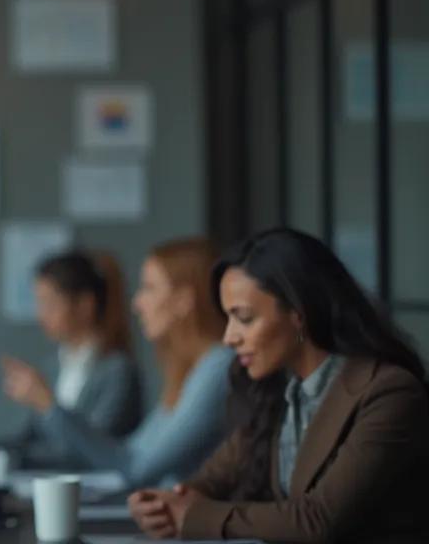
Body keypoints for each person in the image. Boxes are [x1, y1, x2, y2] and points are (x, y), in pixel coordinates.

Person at [129, 229, 429, 542]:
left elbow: (317, 519)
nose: (229, 337)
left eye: (243, 318)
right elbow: (213, 479)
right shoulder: (276, 389)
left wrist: (192, 514)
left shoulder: (388, 393)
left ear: (299, 315)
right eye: (227, 318)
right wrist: (164, 505)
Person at [11, 238, 232, 489]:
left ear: (183, 301)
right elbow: (131, 452)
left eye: (149, 288)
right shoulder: (192, 371)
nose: (137, 303)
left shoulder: (218, 368)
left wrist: (50, 407)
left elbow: (137, 467)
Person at [0, 250, 143, 468]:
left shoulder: (118, 371)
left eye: (49, 303)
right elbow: (27, 442)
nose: (41, 314)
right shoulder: (52, 367)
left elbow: (96, 450)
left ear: (85, 305)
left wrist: (48, 404)